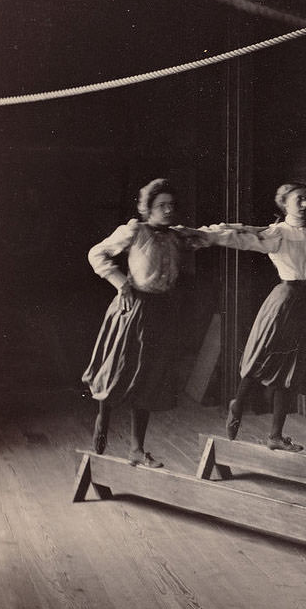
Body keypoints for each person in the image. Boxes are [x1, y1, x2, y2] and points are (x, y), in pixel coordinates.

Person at [83, 178, 211, 467]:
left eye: (171, 205)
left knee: (149, 379)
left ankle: (137, 450)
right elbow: (96, 253)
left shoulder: (178, 236)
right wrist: (120, 283)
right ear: (147, 208)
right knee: (117, 370)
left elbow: (215, 236)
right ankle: (103, 416)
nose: (168, 210)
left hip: (162, 312)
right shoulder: (134, 231)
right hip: (133, 309)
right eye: (161, 205)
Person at [189, 182, 306, 452]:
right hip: (285, 300)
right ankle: (237, 403)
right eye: (299, 199)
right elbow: (238, 238)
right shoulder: (277, 233)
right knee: (263, 355)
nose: (305, 205)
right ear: (284, 203)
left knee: (292, 368)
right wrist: (207, 235)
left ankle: (275, 435)